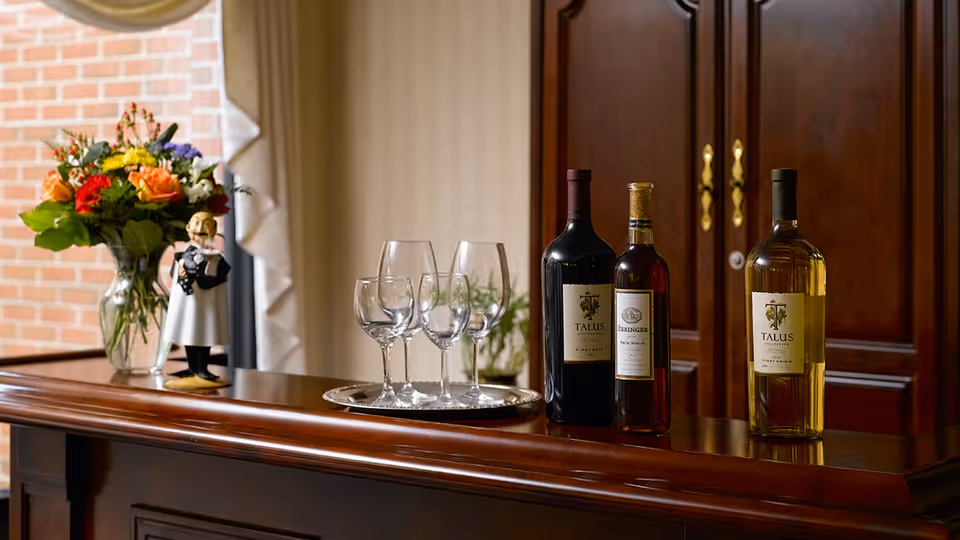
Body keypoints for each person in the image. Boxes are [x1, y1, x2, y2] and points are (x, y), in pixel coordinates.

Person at [162, 211, 230, 389]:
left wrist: (205, 270)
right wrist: (180, 272)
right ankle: (193, 368)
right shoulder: (182, 256)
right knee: (188, 331)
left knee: (203, 332)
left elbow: (218, 278)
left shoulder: (216, 257)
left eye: (206, 223)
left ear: (214, 229)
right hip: (187, 304)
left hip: (207, 304)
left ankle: (202, 368)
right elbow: (174, 275)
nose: (200, 228)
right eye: (196, 222)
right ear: (187, 229)